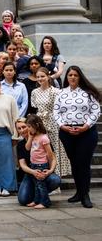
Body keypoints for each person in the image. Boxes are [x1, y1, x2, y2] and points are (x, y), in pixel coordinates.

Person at [53, 66, 100, 208]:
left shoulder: (88, 93)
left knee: (83, 163)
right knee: (74, 162)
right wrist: (62, 126)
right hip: (67, 132)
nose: (72, 77)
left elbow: (96, 111)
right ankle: (79, 192)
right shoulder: (61, 93)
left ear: (80, 77)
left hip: (86, 132)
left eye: (75, 75)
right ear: (67, 77)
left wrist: (86, 125)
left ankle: (85, 194)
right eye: (70, 75)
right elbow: (56, 112)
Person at [32, 67, 70, 180]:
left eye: (42, 76)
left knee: (55, 149)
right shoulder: (34, 92)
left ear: (48, 77)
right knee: (41, 149)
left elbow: (60, 109)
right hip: (39, 122)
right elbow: (35, 108)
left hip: (53, 121)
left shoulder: (56, 91)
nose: (40, 78)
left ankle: (56, 177)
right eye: (38, 77)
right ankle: (43, 176)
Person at [16, 117, 61, 206]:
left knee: (54, 180)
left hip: (42, 167)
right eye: (19, 128)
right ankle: (37, 198)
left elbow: (53, 157)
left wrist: (50, 171)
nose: (22, 130)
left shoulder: (43, 138)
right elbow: (23, 164)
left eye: (25, 127)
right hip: (30, 172)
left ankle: (44, 200)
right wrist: (33, 172)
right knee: (23, 200)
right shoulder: (21, 145)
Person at [24, 115, 56, 209]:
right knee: (36, 184)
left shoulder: (44, 138)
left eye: (29, 127)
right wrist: (29, 138)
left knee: (41, 185)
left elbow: (49, 153)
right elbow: (27, 148)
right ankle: (36, 200)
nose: (28, 129)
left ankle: (45, 202)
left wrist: (49, 168)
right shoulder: (33, 136)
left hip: (41, 164)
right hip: (33, 164)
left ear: (36, 125)